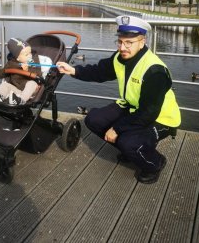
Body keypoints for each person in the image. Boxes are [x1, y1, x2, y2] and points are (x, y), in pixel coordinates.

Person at [57, 15, 181, 184]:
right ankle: (133, 150)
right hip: (132, 108)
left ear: (142, 42)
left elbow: (148, 112)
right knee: (94, 119)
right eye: (120, 42)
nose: (123, 47)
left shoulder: (155, 70)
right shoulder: (120, 57)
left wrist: (117, 128)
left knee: (127, 141)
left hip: (160, 118)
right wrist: (73, 70)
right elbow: (99, 71)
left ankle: (155, 162)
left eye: (129, 43)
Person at [0, 37, 52, 105]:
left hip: (31, 91)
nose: (30, 56)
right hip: (17, 89)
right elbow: (3, 73)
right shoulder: (11, 63)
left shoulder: (34, 61)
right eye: (26, 55)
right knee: (5, 85)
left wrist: (28, 70)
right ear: (17, 57)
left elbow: (38, 74)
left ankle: (21, 100)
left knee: (32, 83)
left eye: (30, 53)